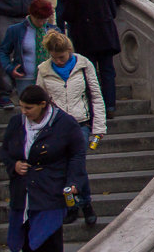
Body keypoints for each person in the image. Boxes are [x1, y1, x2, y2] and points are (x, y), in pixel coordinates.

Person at [0, 84, 87, 252]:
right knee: (24, 240)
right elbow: (4, 151)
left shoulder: (65, 124)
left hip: (50, 191)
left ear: (42, 105)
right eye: (21, 107)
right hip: (23, 193)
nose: (24, 112)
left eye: (28, 108)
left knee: (48, 239)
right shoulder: (16, 123)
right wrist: (14, 165)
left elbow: (77, 155)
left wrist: (73, 181)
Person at [36, 30, 104, 226]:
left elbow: (96, 96)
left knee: (77, 166)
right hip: (56, 126)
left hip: (80, 123)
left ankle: (86, 204)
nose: (58, 61)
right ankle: (71, 206)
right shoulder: (43, 70)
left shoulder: (84, 65)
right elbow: (40, 100)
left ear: (69, 51)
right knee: (63, 168)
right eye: (54, 57)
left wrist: (98, 127)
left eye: (62, 57)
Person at [61, 0, 121, 116]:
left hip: (85, 36)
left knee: (89, 72)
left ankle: (94, 106)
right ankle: (110, 105)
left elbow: (68, 15)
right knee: (108, 71)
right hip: (106, 35)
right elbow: (112, 11)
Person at [0, 0, 57, 99]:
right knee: (29, 109)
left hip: (50, 77)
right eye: (39, 19)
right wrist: (9, 68)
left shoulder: (53, 31)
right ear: (31, 15)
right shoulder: (16, 30)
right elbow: (3, 51)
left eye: (45, 19)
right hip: (25, 79)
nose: (42, 23)